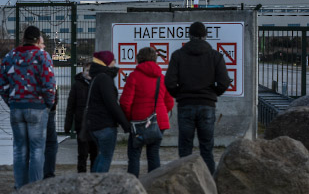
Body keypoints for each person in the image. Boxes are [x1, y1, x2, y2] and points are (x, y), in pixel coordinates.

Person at [164, 21, 232, 174]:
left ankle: (186, 180)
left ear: (190, 35)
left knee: (185, 148)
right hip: (207, 105)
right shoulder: (216, 56)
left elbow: (169, 82)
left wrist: (180, 94)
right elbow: (224, 82)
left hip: (185, 105)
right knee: (207, 148)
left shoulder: (178, 55)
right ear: (205, 35)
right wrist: (213, 93)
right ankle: (209, 184)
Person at [0, 25, 56, 188]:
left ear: (23, 39)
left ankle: (20, 187)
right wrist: (48, 104)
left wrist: (12, 102)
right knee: (37, 149)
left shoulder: (10, 56)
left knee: (19, 149)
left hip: (17, 108)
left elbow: (1, 85)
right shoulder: (43, 56)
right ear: (38, 40)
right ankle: (35, 188)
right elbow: (49, 84)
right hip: (37, 107)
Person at [119, 47, 174, 177]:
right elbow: (170, 102)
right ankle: (154, 184)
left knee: (134, 154)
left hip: (139, 122)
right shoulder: (161, 77)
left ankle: (133, 184)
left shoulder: (134, 76)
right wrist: (160, 114)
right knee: (154, 154)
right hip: (159, 122)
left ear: (139, 58)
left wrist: (129, 118)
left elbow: (125, 103)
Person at [86, 51, 130, 173]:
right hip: (104, 125)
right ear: (107, 62)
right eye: (113, 60)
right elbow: (112, 104)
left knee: (101, 156)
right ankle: (98, 185)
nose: (115, 62)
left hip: (95, 124)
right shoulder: (104, 78)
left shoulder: (97, 77)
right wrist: (125, 124)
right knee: (105, 157)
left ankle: (92, 183)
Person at [64, 62, 98, 172]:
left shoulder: (98, 84)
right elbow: (70, 106)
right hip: (81, 125)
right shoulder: (77, 85)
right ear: (83, 71)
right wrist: (68, 125)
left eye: (91, 70)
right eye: (87, 70)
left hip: (95, 125)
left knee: (95, 153)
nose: (89, 73)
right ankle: (81, 175)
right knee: (82, 153)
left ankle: (94, 176)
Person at [43, 88, 59, 179]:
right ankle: (48, 174)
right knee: (51, 144)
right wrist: (51, 106)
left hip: (19, 107)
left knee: (23, 146)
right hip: (46, 110)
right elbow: (51, 88)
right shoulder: (46, 73)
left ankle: (23, 181)